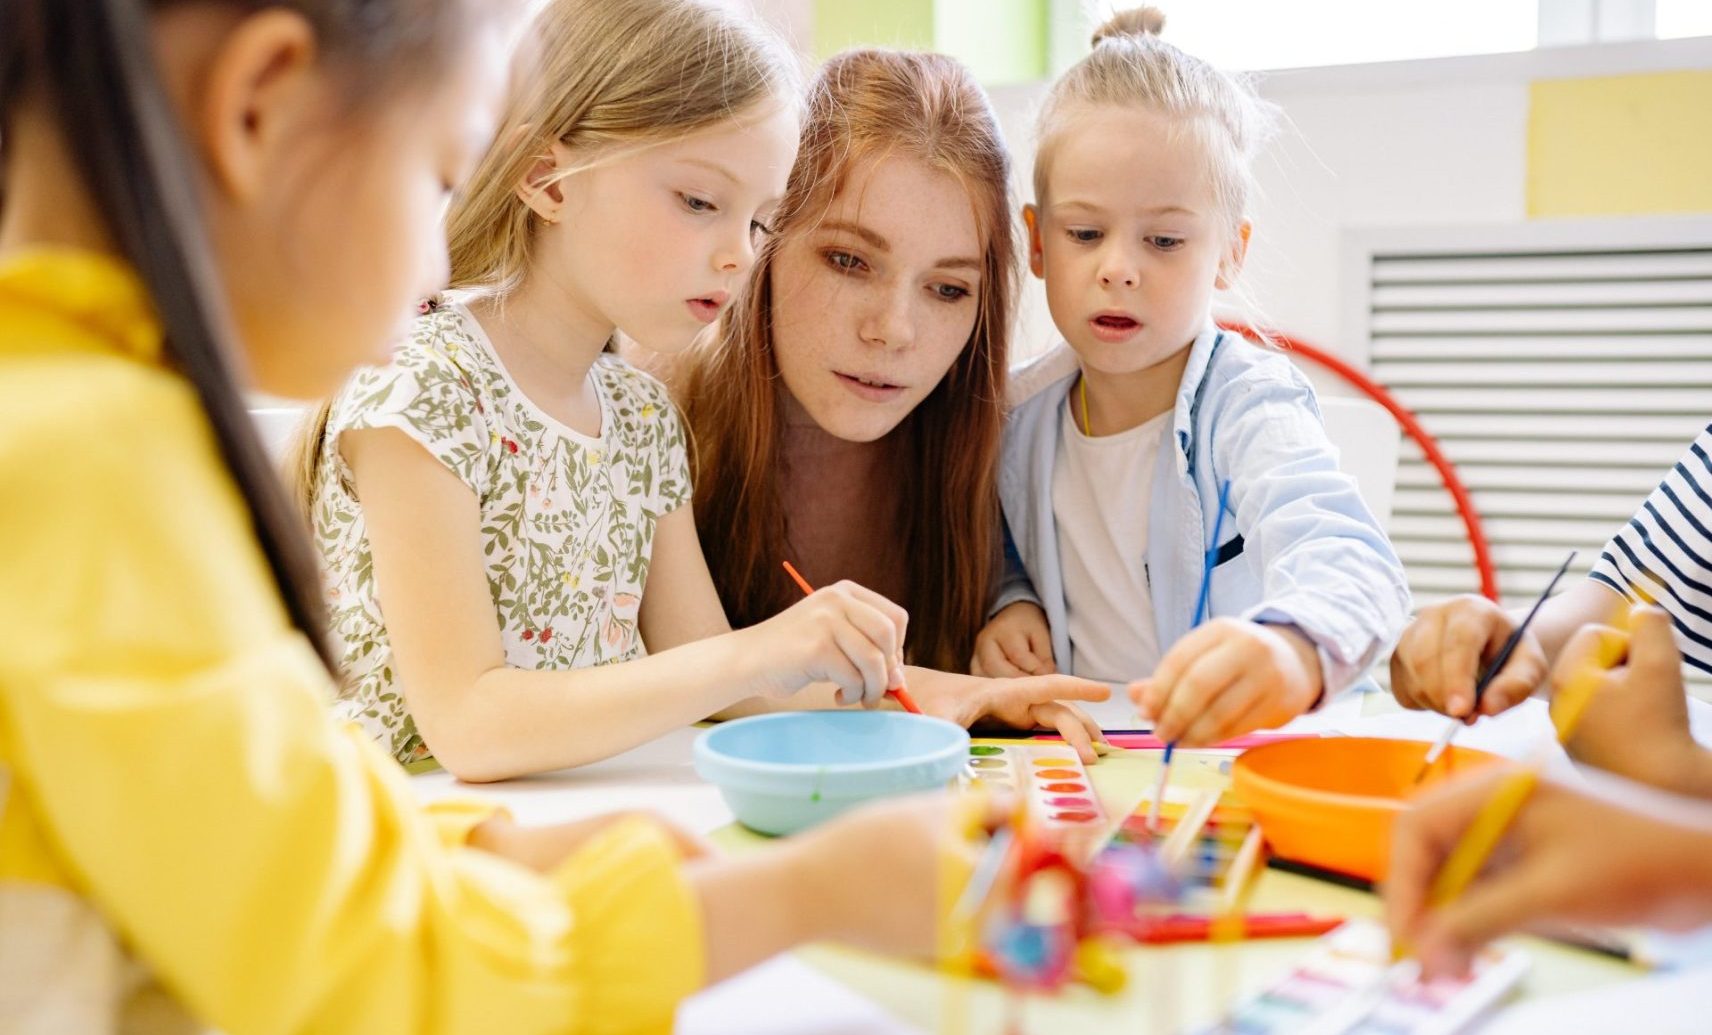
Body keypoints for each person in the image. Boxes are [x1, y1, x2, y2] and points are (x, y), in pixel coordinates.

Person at [0, 2, 1002, 1030]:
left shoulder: (85, 432)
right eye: (439, 172)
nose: (438, 265)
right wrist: (803, 896)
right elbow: (372, 971)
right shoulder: (89, 464)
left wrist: (479, 845)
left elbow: (243, 826)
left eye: (754, 222)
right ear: (262, 104)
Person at [973, 6, 1409, 747]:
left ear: (1229, 254)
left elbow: (1353, 562)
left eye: (1165, 239)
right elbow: (999, 543)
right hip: (1093, 752)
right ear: (1038, 241)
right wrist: (1007, 602)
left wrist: (1291, 646)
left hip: (1236, 757)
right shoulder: (1014, 413)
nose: (1117, 267)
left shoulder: (1251, 407)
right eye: (1085, 233)